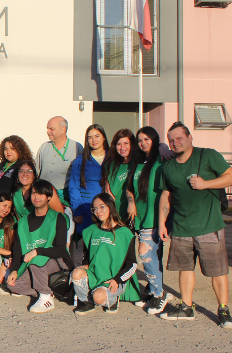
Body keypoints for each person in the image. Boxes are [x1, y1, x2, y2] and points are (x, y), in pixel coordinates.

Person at [157, 122, 232, 327]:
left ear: (190, 138)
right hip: (181, 226)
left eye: (179, 138)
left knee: (218, 270)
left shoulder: (207, 155)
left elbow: (229, 176)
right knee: (185, 268)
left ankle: (223, 310)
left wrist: (205, 184)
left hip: (209, 225)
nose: (175, 143)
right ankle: (187, 307)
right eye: (171, 140)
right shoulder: (168, 167)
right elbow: (166, 195)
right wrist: (162, 223)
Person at [6, 179, 73, 313]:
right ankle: (52, 290)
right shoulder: (23, 222)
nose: (36, 197)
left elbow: (60, 249)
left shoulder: (58, 218)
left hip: (57, 263)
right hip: (34, 265)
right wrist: (14, 270)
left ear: (48, 198)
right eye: (34, 193)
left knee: (36, 259)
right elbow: (18, 250)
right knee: (13, 286)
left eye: (41, 194)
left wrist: (37, 251)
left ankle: (46, 297)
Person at [126, 126, 171, 314]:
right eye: (140, 140)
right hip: (140, 216)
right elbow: (129, 187)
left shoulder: (161, 159)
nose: (143, 143)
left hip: (154, 217)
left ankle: (159, 294)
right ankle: (154, 291)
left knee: (145, 253)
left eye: (147, 139)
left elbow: (167, 191)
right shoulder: (137, 161)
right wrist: (131, 202)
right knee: (153, 256)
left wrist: (162, 147)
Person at [71, 193, 140, 315]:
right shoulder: (90, 231)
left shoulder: (125, 233)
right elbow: (87, 255)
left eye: (102, 207)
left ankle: (112, 300)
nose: (98, 211)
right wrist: (86, 264)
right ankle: (87, 302)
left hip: (112, 280)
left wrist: (117, 280)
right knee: (76, 273)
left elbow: (132, 264)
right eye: (95, 209)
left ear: (110, 206)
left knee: (99, 297)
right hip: (94, 275)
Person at [69, 124, 108, 239]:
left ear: (104, 137)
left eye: (97, 136)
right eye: (90, 137)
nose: (93, 140)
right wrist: (77, 211)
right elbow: (74, 187)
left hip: (109, 209)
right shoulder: (80, 161)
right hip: (88, 210)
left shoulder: (112, 158)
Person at [34, 116, 84, 207]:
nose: (48, 132)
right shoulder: (44, 147)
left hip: (64, 199)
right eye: (47, 129)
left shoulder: (77, 147)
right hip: (43, 198)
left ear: (63, 129)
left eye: (51, 129)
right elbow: (36, 172)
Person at [102, 129, 137, 222]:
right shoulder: (111, 164)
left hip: (136, 213)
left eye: (126, 143)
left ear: (133, 145)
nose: (122, 147)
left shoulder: (138, 161)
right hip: (116, 215)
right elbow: (108, 191)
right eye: (119, 144)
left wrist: (163, 147)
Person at [0, 135, 33, 200]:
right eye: (6, 149)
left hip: (9, 205)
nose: (8, 151)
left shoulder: (22, 166)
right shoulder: (2, 165)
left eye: (12, 148)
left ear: (19, 150)